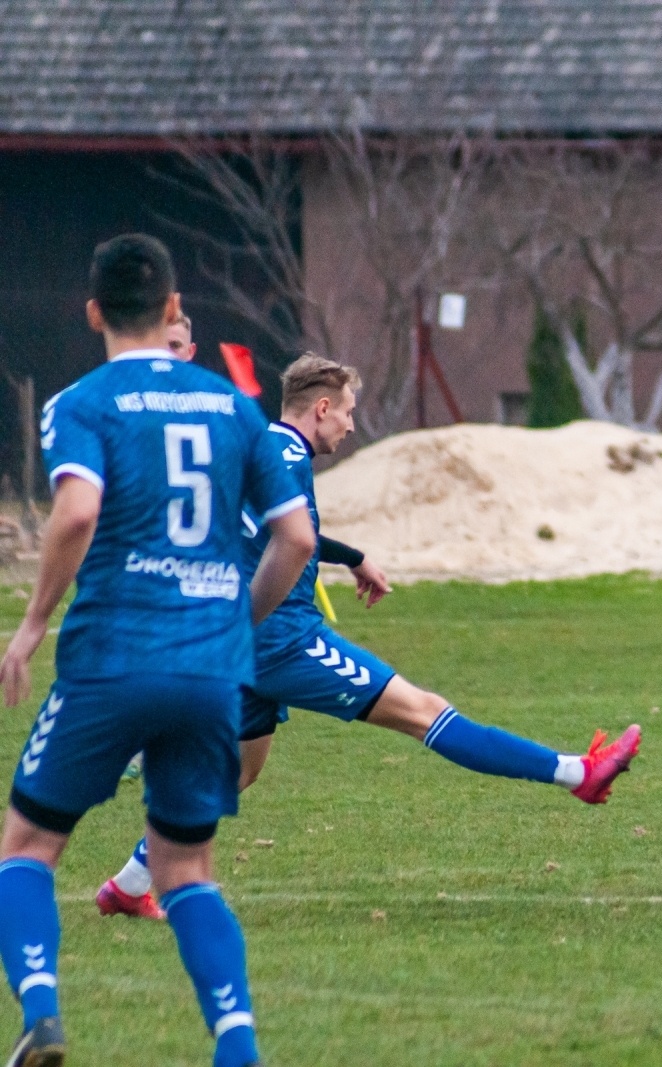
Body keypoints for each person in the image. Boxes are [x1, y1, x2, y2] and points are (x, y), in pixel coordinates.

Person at [97, 353, 643, 922]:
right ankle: (578, 773)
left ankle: (129, 885)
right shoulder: (288, 457)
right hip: (280, 639)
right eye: (348, 412)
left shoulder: (256, 447)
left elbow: (268, 530)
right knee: (425, 712)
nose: (351, 425)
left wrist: (351, 557)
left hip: (243, 641)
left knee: (236, 771)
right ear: (322, 408)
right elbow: (295, 541)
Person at [0, 234, 317, 1066]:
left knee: (27, 847)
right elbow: (296, 536)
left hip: (113, 656)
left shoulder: (82, 403)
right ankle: (237, 1044)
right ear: (175, 306)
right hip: (210, 670)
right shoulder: (234, 407)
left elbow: (76, 511)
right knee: (187, 869)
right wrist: (236, 621)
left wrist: (31, 624)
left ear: (93, 312)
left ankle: (41, 1012)